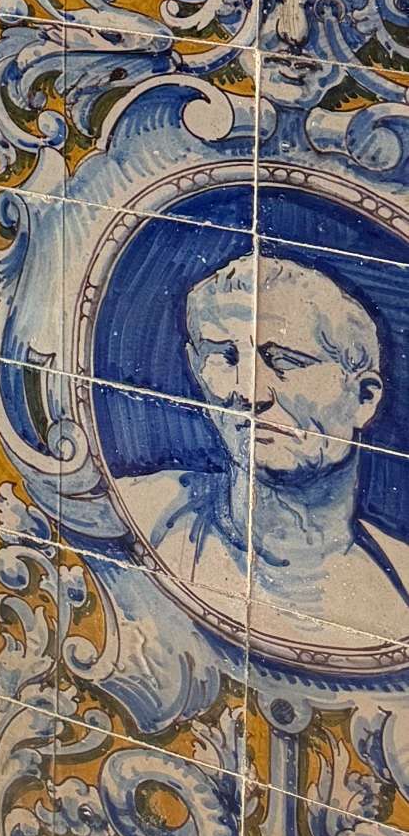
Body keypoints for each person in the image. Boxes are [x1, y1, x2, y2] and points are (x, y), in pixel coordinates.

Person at [125, 249, 409, 647]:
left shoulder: (400, 584)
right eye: (225, 356)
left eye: (285, 361)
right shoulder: (135, 512)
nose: (247, 391)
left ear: (363, 397)